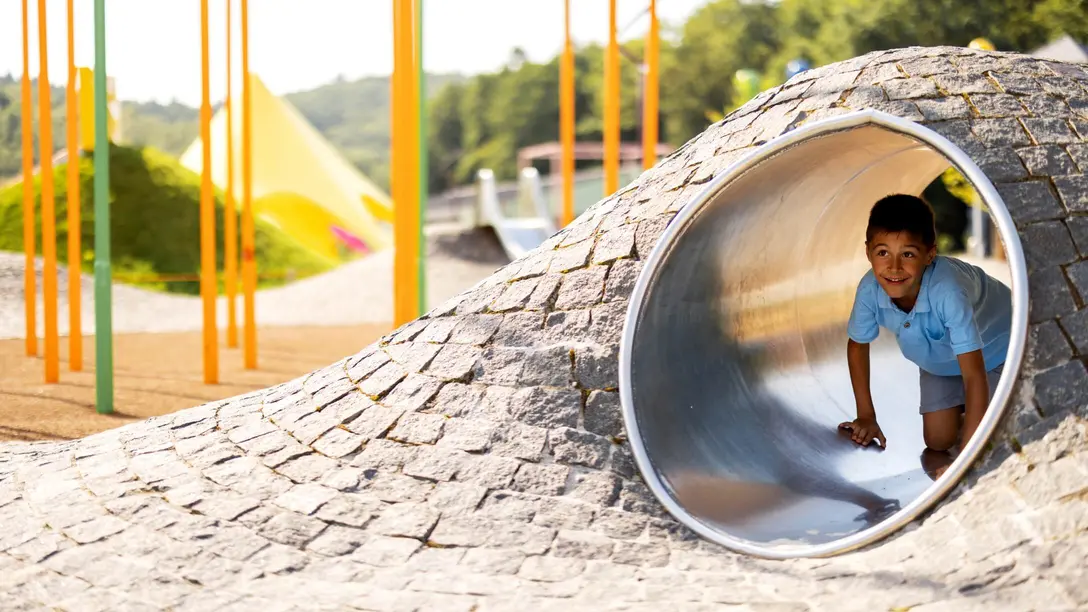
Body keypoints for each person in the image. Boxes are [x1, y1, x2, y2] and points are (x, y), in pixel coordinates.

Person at [839, 194, 1012, 462]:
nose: (894, 267)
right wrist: (866, 416)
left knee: (999, 430)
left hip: (996, 351)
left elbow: (974, 374)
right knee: (938, 440)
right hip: (940, 362)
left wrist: (967, 459)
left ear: (930, 254)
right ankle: (967, 408)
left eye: (907, 254)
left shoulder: (947, 291)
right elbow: (857, 346)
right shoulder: (870, 289)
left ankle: (977, 409)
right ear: (868, 252)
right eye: (883, 253)